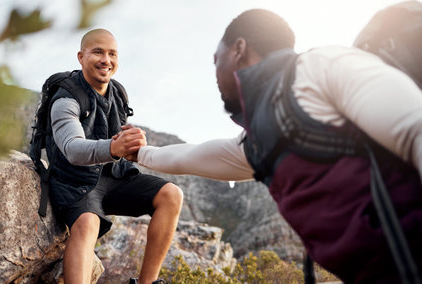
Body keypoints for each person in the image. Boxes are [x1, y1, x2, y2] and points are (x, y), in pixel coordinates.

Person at [130, 8, 422, 284]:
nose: (215, 72)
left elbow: (415, 130)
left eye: (215, 59)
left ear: (238, 49)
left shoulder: (319, 68)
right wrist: (139, 152)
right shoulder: (258, 144)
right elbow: (187, 157)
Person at [46, 28, 183, 284]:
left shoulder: (117, 94)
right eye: (97, 52)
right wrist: (113, 148)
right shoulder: (66, 99)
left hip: (115, 177)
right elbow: (73, 149)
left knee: (171, 195)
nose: (106, 60)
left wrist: (132, 146)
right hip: (75, 182)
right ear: (80, 56)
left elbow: (118, 141)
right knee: (87, 224)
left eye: (112, 54)